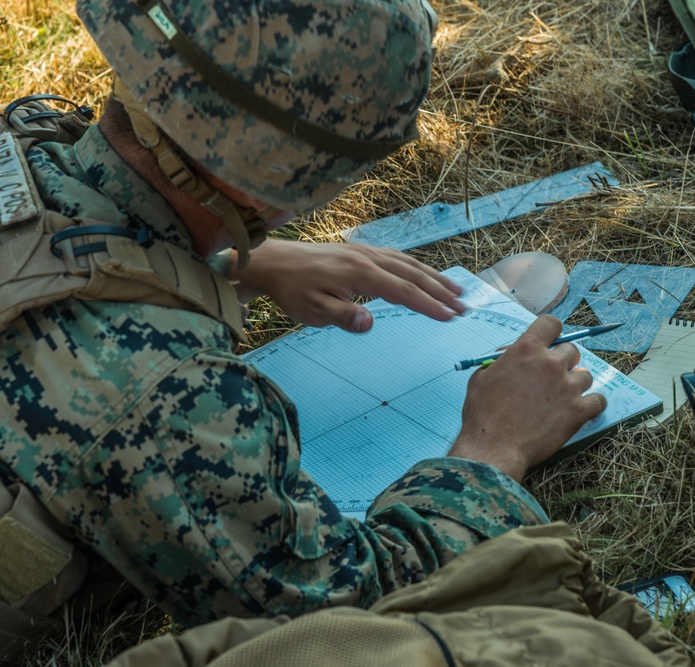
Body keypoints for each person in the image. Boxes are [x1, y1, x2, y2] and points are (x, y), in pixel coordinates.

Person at [0, 0, 606, 633]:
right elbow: (343, 616)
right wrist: (494, 447)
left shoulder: (24, 146)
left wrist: (239, 262)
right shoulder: (168, 398)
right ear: (284, 177)